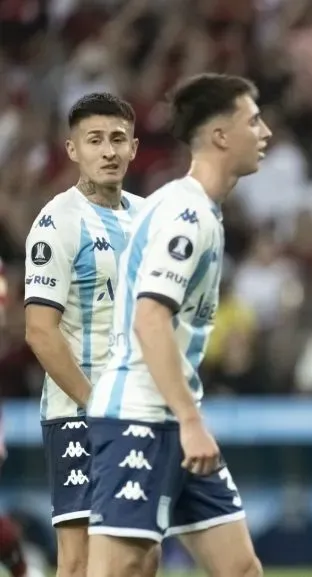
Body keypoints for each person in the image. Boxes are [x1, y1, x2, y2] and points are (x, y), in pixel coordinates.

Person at [84, 73, 271, 577]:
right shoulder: (186, 215)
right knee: (124, 569)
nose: (266, 132)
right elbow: (150, 318)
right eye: (254, 121)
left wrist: (186, 417)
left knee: (240, 569)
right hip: (139, 414)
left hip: (171, 415)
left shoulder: (199, 209)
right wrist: (191, 421)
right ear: (220, 136)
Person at [22, 92, 146, 577]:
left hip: (140, 411)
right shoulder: (57, 223)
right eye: (95, 140)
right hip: (81, 412)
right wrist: (97, 406)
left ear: (134, 147)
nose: (108, 151)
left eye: (118, 139)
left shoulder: (148, 217)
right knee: (78, 561)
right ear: (73, 149)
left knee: (140, 557)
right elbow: (39, 331)